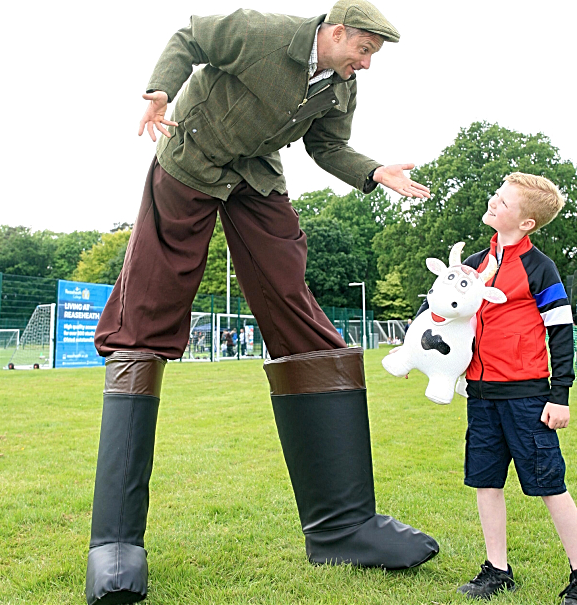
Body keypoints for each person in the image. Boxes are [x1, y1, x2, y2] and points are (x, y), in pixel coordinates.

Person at [85, 3, 438, 604]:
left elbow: (327, 148)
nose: (368, 62)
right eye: (365, 49)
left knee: (295, 307)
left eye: (374, 54)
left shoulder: (340, 87)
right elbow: (189, 35)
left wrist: (375, 171)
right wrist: (157, 92)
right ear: (336, 31)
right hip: (189, 164)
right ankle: (114, 546)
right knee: (145, 315)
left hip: (257, 180)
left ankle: (343, 527)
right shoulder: (263, 32)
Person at [416, 173, 577, 604]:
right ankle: (497, 570)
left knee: (550, 486)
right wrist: (423, 361)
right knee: (487, 483)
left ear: (526, 223)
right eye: (495, 195)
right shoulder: (474, 266)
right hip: (481, 396)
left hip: (528, 397)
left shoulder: (540, 268)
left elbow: (560, 333)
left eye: (503, 200)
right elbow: (446, 316)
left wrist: (561, 395)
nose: (493, 202)